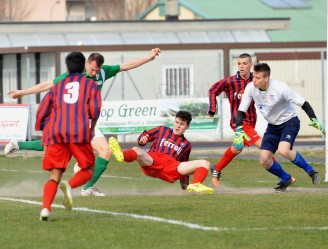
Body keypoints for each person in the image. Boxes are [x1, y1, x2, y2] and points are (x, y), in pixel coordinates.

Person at [5, 48, 161, 196]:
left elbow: (125, 66)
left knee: (105, 152)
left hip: (87, 122)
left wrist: (149, 57)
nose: (93, 73)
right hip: (71, 119)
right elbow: (48, 84)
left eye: (96, 71)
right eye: (92, 69)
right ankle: (18, 144)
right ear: (86, 63)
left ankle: (87, 188)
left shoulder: (103, 72)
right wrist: (22, 92)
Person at [234, 63, 325, 191]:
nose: (254, 80)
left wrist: (313, 119)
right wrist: (238, 129)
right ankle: (286, 178)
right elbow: (241, 111)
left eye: (257, 78)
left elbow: (303, 103)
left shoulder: (280, 88)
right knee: (264, 160)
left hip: (290, 122)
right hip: (272, 126)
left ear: (266, 78)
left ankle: (311, 172)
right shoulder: (250, 88)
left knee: (284, 150)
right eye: (253, 76)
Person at [36, 51, 102, 221]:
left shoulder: (57, 86)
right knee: (88, 169)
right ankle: (70, 185)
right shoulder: (91, 85)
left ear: (67, 67)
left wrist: (42, 128)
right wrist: (92, 128)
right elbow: (95, 110)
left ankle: (45, 209)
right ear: (83, 67)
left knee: (54, 175)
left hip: (56, 133)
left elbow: (42, 110)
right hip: (78, 133)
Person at [208, 53, 275, 187]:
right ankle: (285, 176)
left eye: (244, 63)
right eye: (239, 63)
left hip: (251, 121)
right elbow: (213, 89)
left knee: (237, 148)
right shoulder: (230, 81)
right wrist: (212, 108)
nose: (241, 66)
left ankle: (216, 169)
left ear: (251, 65)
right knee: (264, 145)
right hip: (238, 122)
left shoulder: (255, 81)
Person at [108, 110, 214, 194]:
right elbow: (145, 136)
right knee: (137, 150)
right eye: (177, 122)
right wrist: (142, 139)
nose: (178, 126)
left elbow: (184, 165)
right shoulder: (162, 130)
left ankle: (195, 185)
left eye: (182, 124)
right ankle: (121, 154)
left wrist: (185, 187)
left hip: (171, 168)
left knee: (205, 163)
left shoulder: (186, 145)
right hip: (154, 161)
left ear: (187, 127)